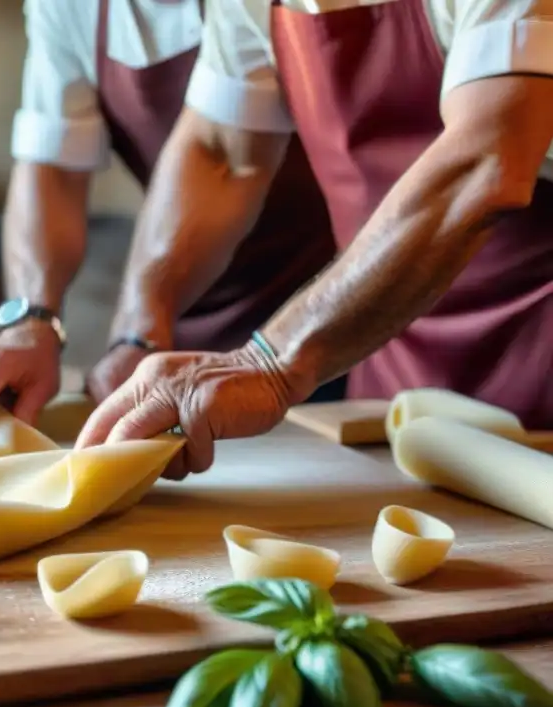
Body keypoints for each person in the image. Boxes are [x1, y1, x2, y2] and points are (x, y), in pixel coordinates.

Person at [74, 0, 553, 479]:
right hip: (390, 375)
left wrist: (272, 361)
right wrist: (137, 332)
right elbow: (219, 152)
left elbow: (486, 161)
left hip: (538, 354)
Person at [0, 0, 338, 445]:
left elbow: (224, 158)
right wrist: (30, 323)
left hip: (328, 315)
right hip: (182, 330)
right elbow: (52, 168)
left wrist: (139, 328)